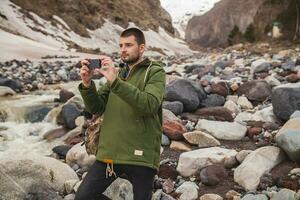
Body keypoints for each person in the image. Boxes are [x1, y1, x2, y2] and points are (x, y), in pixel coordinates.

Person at [75, 27, 166, 200]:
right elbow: (97, 107)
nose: (123, 49)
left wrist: (115, 81)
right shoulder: (118, 74)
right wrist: (87, 84)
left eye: (129, 45)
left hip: (141, 157)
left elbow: (149, 104)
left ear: (141, 48)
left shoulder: (154, 71)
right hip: (110, 156)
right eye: (121, 45)